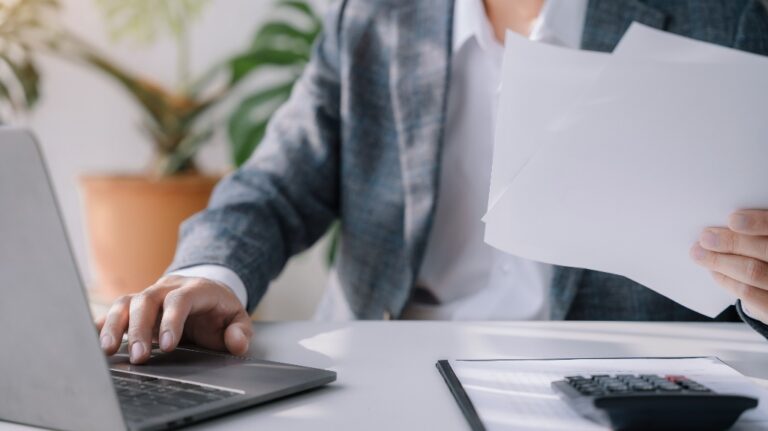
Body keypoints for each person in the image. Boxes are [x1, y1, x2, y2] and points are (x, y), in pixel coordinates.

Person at [96, 0, 768, 364]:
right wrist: (211, 274)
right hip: (382, 368)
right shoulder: (374, 16)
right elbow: (274, 185)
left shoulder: (722, 18)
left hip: (608, 381)